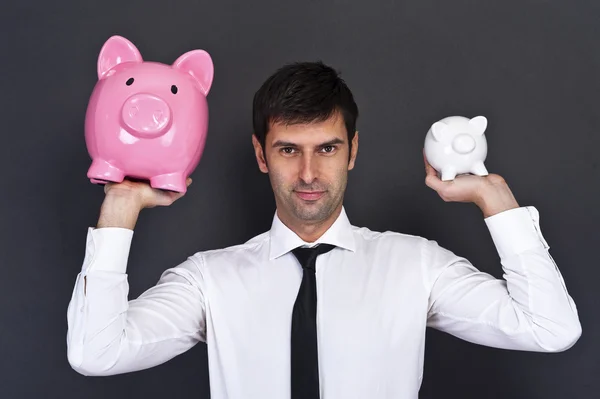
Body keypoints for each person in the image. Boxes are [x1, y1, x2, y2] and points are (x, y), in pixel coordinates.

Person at [66, 61, 581, 399]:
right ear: (260, 155)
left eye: (327, 148)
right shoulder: (210, 279)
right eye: (289, 149)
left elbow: (551, 329)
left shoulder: (416, 266)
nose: (309, 174)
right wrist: (120, 207)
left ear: (352, 151)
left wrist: (496, 198)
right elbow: (95, 353)